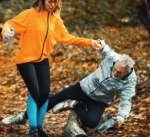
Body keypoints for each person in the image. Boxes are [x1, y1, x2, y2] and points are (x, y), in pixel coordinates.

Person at [1, 0, 101, 136]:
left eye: (55, 3)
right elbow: (10, 24)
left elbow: (66, 38)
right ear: (42, 0)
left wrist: (90, 42)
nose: (52, 5)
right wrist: (6, 32)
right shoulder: (29, 14)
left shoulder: (55, 20)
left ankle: (39, 128)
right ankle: (33, 130)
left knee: (45, 94)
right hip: (25, 60)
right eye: (50, 1)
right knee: (35, 92)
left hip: (42, 60)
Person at [2, 40, 137, 136]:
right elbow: (104, 47)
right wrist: (99, 43)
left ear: (127, 71)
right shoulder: (113, 58)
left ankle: (73, 105)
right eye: (115, 69)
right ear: (116, 62)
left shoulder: (130, 81)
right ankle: (23, 116)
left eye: (119, 73)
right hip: (83, 87)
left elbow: (127, 100)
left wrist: (121, 117)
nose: (115, 72)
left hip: (99, 100)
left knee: (91, 122)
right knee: (51, 100)